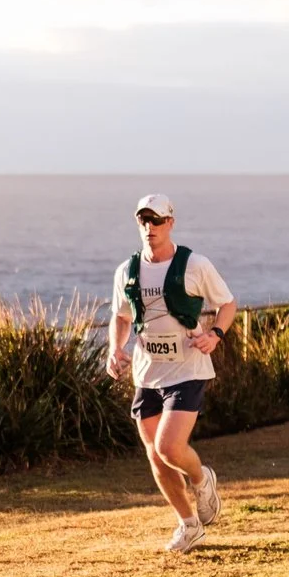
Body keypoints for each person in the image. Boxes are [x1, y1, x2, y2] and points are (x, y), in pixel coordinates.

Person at [105, 193, 238, 554]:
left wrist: (215, 335)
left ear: (171, 223)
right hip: (147, 373)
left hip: (187, 368)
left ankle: (201, 477)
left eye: (157, 220)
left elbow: (227, 304)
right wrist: (115, 349)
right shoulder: (127, 271)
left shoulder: (195, 265)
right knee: (154, 455)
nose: (150, 227)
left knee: (168, 447)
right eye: (144, 220)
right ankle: (189, 525)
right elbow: (121, 317)